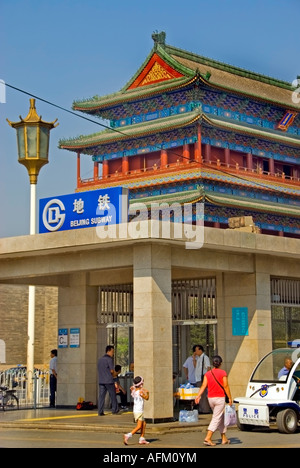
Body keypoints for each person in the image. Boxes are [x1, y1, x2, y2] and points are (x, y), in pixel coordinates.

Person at [195, 355, 232, 446]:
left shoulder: (208, 374)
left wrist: (198, 396)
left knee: (220, 417)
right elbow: (226, 386)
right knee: (216, 418)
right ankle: (208, 438)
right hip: (220, 398)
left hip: (210, 398)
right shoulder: (223, 373)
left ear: (213, 363)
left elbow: (203, 385)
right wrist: (230, 398)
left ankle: (224, 438)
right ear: (220, 364)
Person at [123, 376, 150, 445]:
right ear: (141, 384)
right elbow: (146, 398)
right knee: (139, 426)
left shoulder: (135, 391)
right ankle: (128, 435)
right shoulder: (140, 392)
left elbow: (134, 390)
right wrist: (147, 393)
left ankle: (142, 438)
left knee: (144, 424)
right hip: (139, 411)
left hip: (136, 410)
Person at [97, 345, 120, 415]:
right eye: (112, 351)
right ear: (109, 351)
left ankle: (100, 411)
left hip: (101, 381)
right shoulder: (109, 360)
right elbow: (112, 371)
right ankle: (115, 409)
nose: (113, 353)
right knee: (113, 395)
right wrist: (115, 376)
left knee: (101, 396)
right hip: (109, 381)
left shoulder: (100, 360)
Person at [195, 345, 211, 414]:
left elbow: (208, 367)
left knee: (204, 394)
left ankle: (206, 410)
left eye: (196, 350)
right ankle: (201, 409)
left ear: (200, 350)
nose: (195, 352)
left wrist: (207, 378)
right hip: (198, 378)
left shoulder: (205, 357)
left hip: (203, 378)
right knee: (200, 395)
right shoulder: (198, 358)